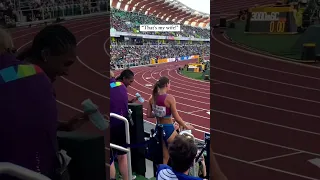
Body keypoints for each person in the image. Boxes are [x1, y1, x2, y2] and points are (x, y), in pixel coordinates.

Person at [147, 76, 194, 164]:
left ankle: (162, 174)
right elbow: (177, 118)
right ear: (166, 85)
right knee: (182, 151)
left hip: (159, 129)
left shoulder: (151, 98)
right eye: (169, 83)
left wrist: (158, 114)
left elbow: (149, 115)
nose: (170, 85)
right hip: (169, 130)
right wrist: (186, 126)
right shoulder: (169, 98)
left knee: (165, 156)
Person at [110, 69, 136, 180]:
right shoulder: (120, 86)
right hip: (122, 124)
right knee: (123, 155)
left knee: (109, 158)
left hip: (110, 125)